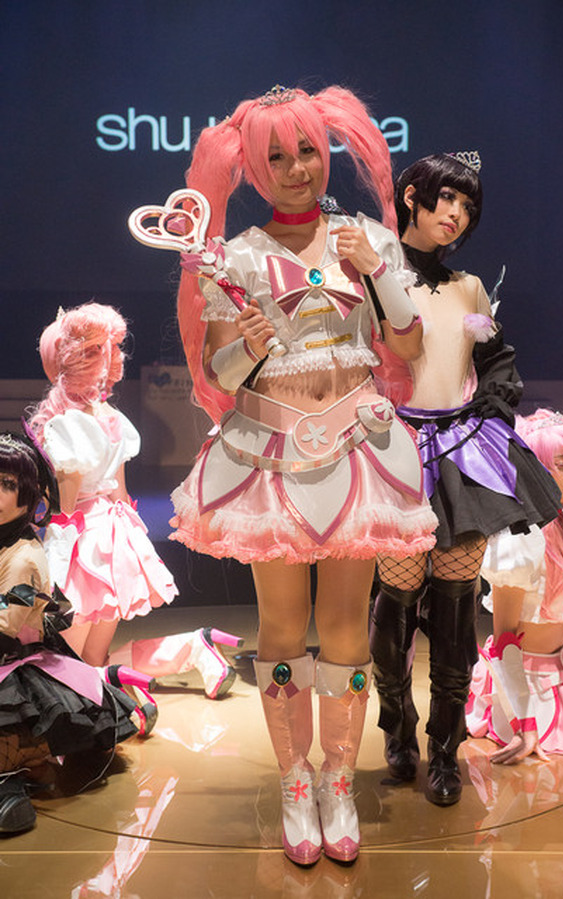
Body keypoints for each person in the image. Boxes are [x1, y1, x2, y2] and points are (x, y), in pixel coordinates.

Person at [169, 83, 438, 864]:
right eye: (277, 157)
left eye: (309, 152)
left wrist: (377, 270)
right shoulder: (235, 257)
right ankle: (296, 783)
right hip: (269, 456)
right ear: (253, 169)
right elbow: (220, 372)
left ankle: (337, 781)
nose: (297, 169)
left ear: (329, 153)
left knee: (349, 628)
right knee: (283, 626)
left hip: (356, 449)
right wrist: (249, 345)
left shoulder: (367, 239)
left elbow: (410, 346)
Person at [369, 153, 562, 806]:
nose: (456, 213)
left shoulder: (470, 286)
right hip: (393, 447)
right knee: (395, 600)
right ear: (413, 196)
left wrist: (490, 407)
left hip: (460, 450)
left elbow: (494, 358)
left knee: (455, 606)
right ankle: (397, 725)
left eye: (468, 206)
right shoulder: (372, 272)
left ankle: (446, 749)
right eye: (447, 198)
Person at [29, 302, 242, 710]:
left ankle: (128, 704)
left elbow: (66, 507)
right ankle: (190, 649)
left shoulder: (66, 425)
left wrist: (42, 548)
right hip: (114, 537)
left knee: (63, 665)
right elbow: (120, 496)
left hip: (81, 546)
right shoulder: (112, 417)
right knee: (92, 659)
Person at [0, 431, 139, 834]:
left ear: (30, 495)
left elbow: (5, 626)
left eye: (7, 483)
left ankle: (12, 784)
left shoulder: (23, 557)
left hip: (13, 668)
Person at [467, 409, 563, 760]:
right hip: (528, 686)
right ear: (534, 468)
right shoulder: (518, 539)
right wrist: (524, 725)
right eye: (562, 464)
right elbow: (503, 639)